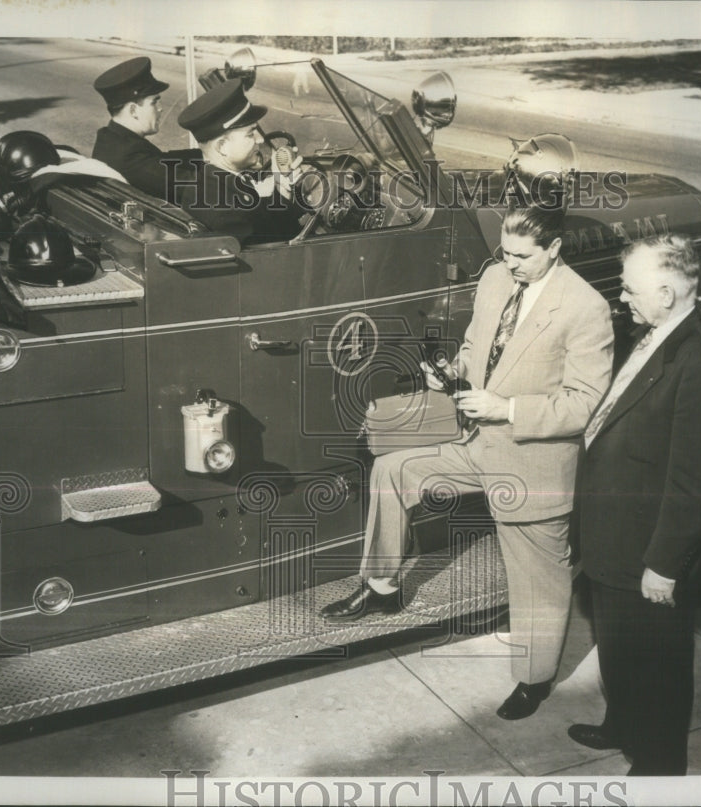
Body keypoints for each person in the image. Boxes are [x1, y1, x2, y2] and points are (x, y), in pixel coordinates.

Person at [320, 205, 614, 720]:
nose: (510, 263)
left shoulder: (585, 308)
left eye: (524, 256)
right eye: (505, 250)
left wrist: (508, 409)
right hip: (474, 441)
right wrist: (451, 370)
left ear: (554, 250)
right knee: (393, 470)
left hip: (531, 462)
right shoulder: (498, 278)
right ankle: (382, 587)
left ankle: (535, 679)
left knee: (538, 581)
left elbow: (584, 403)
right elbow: (482, 343)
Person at [567, 234, 701, 775]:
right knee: (618, 644)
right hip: (614, 538)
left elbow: (697, 481)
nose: (622, 299)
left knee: (658, 663)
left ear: (665, 292)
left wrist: (664, 563)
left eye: (630, 289)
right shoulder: (653, 333)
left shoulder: (698, 362)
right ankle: (623, 724)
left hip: (648, 551)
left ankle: (659, 765)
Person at [173, 80, 304, 245]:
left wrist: (282, 188)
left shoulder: (212, 184)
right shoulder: (224, 208)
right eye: (250, 134)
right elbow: (276, 245)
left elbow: (262, 219)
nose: (260, 139)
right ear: (222, 146)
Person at [91, 56, 201, 198]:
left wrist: (205, 153)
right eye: (154, 102)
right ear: (133, 110)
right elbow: (193, 186)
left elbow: (160, 160)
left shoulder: (111, 138)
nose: (160, 109)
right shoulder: (131, 157)